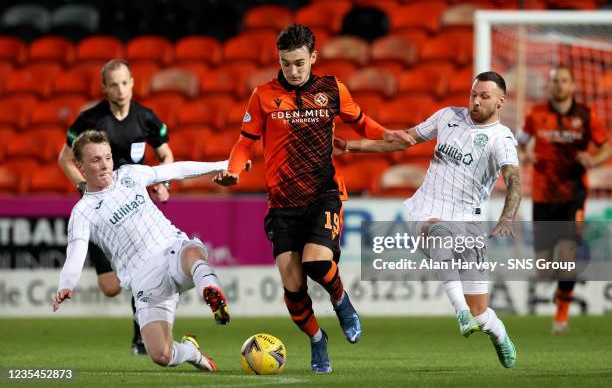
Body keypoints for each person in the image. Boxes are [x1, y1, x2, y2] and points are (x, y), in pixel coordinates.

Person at [213, 23, 413, 373]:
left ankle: (340, 300)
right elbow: (245, 141)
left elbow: (363, 124)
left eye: (299, 63)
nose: (292, 70)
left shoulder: (332, 89)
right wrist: (234, 170)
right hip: (282, 203)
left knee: (317, 263)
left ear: (313, 57)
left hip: (324, 194)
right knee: (293, 287)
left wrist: (390, 136)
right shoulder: (262, 95)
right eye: (286, 63)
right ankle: (318, 340)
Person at [335, 71, 521, 368]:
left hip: (468, 222)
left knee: (481, 314)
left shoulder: (501, 139)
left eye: (484, 96)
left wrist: (507, 217)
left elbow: (513, 180)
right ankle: (459, 311)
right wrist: (351, 147)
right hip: (426, 210)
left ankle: (498, 334)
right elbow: (403, 140)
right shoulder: (448, 116)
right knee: (438, 232)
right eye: (473, 94)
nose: (475, 101)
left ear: (501, 101)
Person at [53, 130, 242, 371]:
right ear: (80, 166)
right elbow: (76, 252)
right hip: (144, 279)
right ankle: (191, 351)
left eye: (107, 157)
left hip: (170, 250)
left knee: (192, 252)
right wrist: (66, 285)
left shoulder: (130, 174)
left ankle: (210, 289)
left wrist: (222, 164)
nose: (105, 165)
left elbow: (175, 170)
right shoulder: (82, 211)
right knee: (161, 355)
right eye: (96, 160)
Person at [58, 59, 174, 355]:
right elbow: (64, 158)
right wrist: (84, 188)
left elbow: (166, 155)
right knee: (110, 287)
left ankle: (142, 337)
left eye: (124, 83)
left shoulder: (146, 118)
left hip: (133, 209)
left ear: (133, 82)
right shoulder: (90, 120)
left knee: (143, 268)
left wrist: (163, 184)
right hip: (101, 216)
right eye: (113, 84)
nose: (120, 90)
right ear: (104, 88)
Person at [516, 66, 610, 334]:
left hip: (573, 195)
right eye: (554, 80)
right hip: (543, 197)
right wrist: (524, 155)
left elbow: (606, 146)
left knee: (568, 254)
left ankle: (561, 317)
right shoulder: (536, 114)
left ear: (573, 86)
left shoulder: (586, 115)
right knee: (544, 270)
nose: (558, 85)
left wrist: (594, 160)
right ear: (549, 86)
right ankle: (560, 287)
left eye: (563, 81)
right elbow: (519, 142)